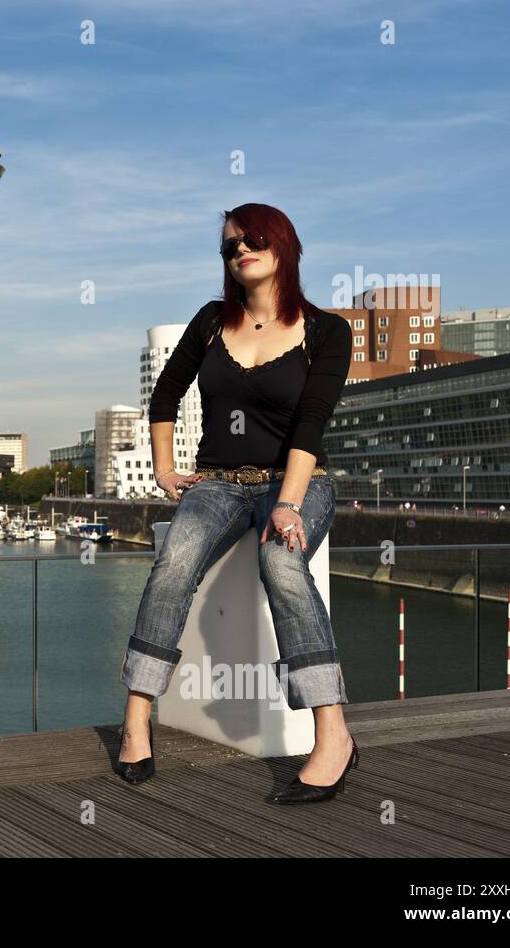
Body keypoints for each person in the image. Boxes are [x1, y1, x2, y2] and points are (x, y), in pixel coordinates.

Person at [116, 203, 356, 804]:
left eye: (251, 239)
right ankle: (137, 718)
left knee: (281, 561)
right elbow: (164, 395)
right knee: (173, 561)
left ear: (283, 246)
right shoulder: (208, 322)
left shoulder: (326, 331)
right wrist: (166, 468)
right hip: (217, 482)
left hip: (295, 480)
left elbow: (311, 425)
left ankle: (333, 735)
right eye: (228, 246)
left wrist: (289, 504)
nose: (239, 251)